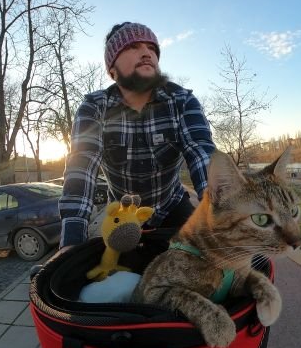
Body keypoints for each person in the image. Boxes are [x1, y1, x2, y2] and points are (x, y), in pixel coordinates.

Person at [59, 22, 215, 265]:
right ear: (112, 70)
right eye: (133, 46)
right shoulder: (94, 107)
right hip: (122, 215)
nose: (146, 53)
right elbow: (82, 167)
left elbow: (201, 153)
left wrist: (222, 216)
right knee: (116, 280)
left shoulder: (182, 101)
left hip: (172, 206)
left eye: (151, 48)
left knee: (206, 264)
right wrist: (71, 242)